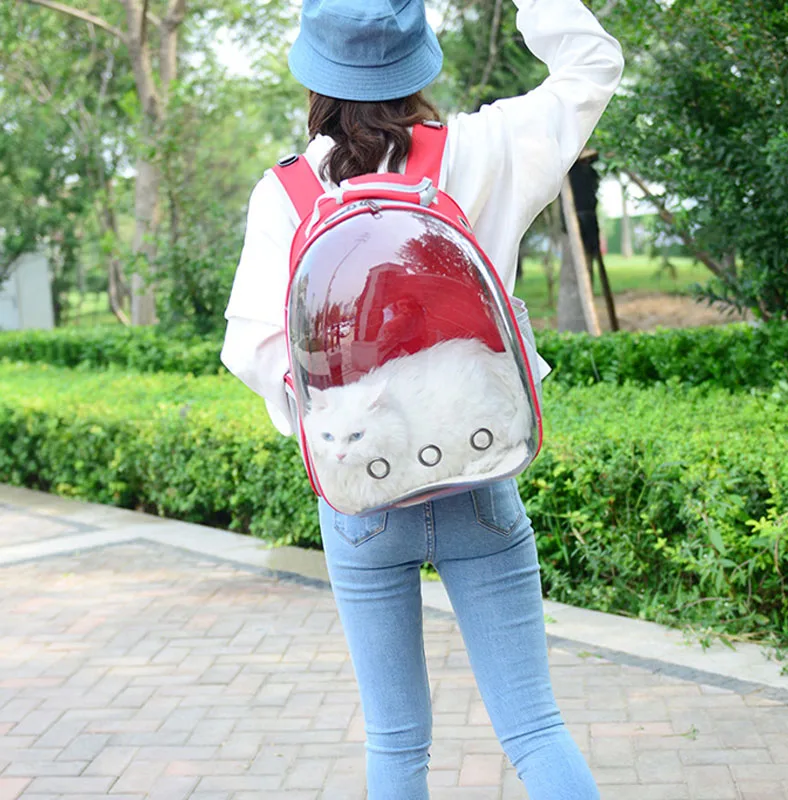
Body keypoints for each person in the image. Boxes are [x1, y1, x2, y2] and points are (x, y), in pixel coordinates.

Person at [221, 0, 624, 797]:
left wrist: (340, 414)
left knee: (397, 745)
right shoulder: (484, 147)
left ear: (314, 75)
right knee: (534, 728)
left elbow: (252, 350)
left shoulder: (286, 194)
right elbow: (592, 68)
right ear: (418, 62)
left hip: (361, 498)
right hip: (478, 474)